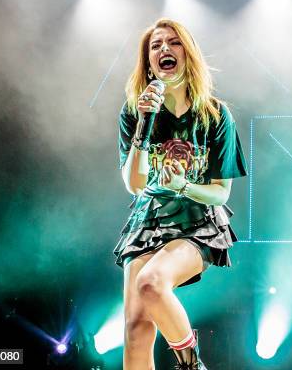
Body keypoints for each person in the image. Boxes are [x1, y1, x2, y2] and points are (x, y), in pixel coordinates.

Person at [113, 18, 247, 370]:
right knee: (135, 329)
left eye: (173, 43)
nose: (164, 50)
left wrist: (183, 186)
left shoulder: (216, 115)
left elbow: (221, 193)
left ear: (187, 54)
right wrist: (145, 120)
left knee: (152, 283)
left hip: (196, 221)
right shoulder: (134, 112)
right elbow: (135, 184)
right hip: (148, 221)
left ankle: (191, 365)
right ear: (148, 62)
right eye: (155, 46)